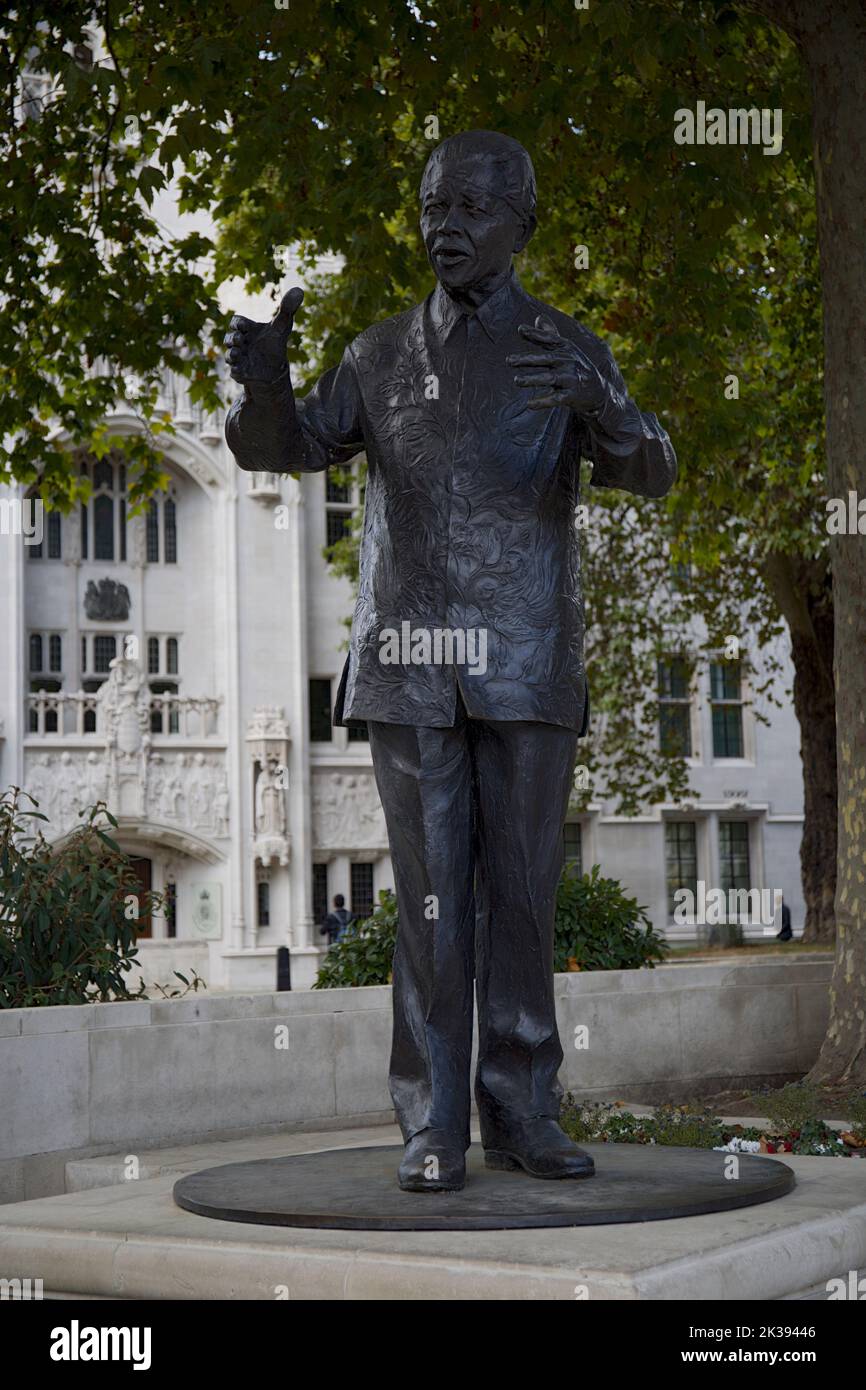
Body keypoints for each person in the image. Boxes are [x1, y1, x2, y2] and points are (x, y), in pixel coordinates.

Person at [224, 130, 676, 1192]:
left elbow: (649, 468)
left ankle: (523, 1110)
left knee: (522, 899)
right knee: (429, 909)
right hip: (410, 669)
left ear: (520, 226)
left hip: (524, 662)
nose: (446, 227)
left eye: (472, 209)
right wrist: (263, 390)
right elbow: (289, 446)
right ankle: (432, 1124)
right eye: (433, 207)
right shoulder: (377, 355)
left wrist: (605, 406)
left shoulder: (564, 348)